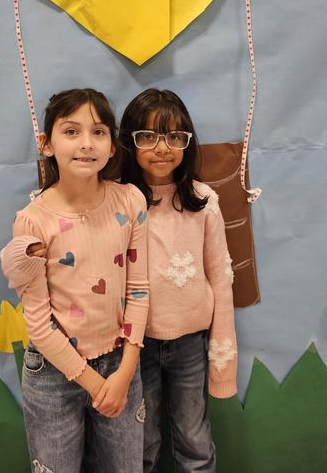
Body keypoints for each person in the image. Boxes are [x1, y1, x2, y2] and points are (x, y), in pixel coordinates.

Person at [1, 88, 149, 473]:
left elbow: (139, 289)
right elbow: (38, 321)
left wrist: (125, 371)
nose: (86, 144)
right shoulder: (33, 221)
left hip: (121, 365)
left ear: (112, 146)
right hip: (53, 375)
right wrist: (93, 383)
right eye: (71, 131)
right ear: (46, 144)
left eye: (98, 132)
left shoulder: (130, 201)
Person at [119, 88, 238, 473]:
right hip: (135, 345)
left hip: (190, 344)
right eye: (148, 136)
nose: (162, 148)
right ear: (131, 142)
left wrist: (222, 354)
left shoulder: (203, 201)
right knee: (142, 444)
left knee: (194, 441)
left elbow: (221, 276)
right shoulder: (118, 202)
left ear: (187, 142)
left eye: (174, 136)